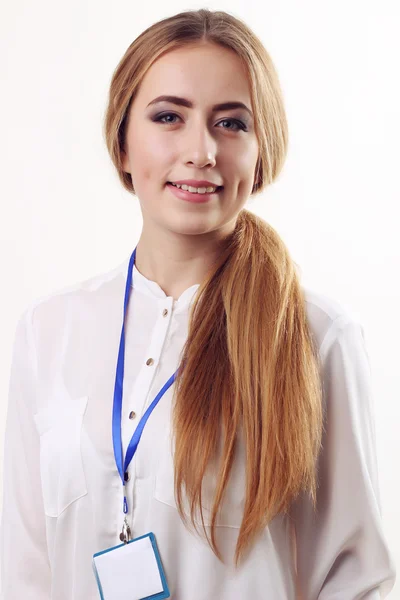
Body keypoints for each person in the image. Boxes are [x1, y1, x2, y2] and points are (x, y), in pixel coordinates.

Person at [0, 8, 396, 600]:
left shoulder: (318, 336)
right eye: (168, 117)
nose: (202, 150)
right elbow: (23, 566)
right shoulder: (48, 329)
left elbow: (357, 578)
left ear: (262, 152)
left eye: (231, 123)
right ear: (123, 144)